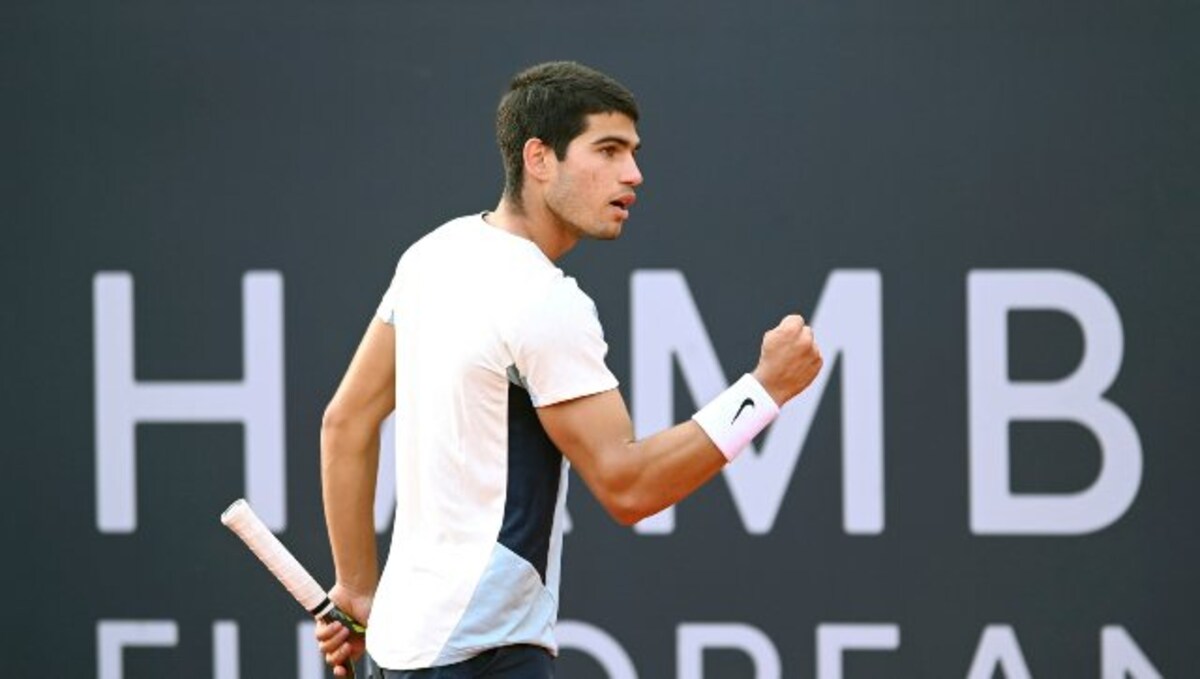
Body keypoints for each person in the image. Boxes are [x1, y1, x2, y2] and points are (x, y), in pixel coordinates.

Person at [315, 61, 823, 678]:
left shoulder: (433, 254)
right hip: (482, 656)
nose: (633, 174)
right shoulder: (542, 298)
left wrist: (359, 595)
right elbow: (629, 487)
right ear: (539, 158)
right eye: (607, 150)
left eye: (633, 152)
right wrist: (764, 392)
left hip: (404, 653)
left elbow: (345, 423)